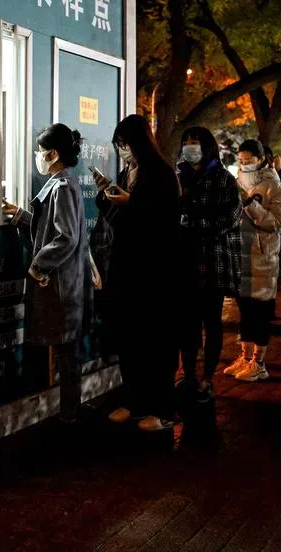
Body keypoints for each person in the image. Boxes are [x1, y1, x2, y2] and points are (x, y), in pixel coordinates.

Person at [94, 115, 181, 431]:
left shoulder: (162, 173)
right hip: (125, 266)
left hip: (155, 271)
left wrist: (133, 201)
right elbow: (120, 220)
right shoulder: (126, 173)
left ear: (140, 142)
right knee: (128, 338)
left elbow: (165, 220)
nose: (122, 151)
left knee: (154, 341)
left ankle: (163, 410)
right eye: (119, 145)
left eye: (126, 145)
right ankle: (133, 402)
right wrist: (107, 196)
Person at [5, 124, 88, 423]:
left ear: (53, 153)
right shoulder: (60, 183)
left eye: (41, 151)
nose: (38, 157)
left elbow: (66, 236)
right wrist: (19, 216)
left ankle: (69, 416)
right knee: (66, 349)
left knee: (67, 352)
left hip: (60, 283)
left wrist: (38, 264)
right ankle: (69, 412)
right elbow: (47, 227)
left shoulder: (62, 186)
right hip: (61, 281)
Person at [176, 127, 241, 403]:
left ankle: (207, 379)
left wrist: (195, 224)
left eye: (195, 143)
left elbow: (231, 217)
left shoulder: (224, 179)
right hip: (183, 259)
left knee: (211, 321)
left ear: (207, 147)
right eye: (186, 143)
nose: (190, 147)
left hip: (213, 260)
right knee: (187, 323)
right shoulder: (179, 177)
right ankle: (189, 374)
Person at [225, 140, 281, 383]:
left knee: (259, 313)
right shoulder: (238, 182)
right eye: (241, 161)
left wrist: (250, 205)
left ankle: (259, 363)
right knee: (245, 311)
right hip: (238, 254)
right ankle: (245, 356)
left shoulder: (275, 187)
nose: (244, 164)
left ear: (261, 159)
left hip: (262, 258)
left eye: (249, 160)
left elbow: (276, 223)